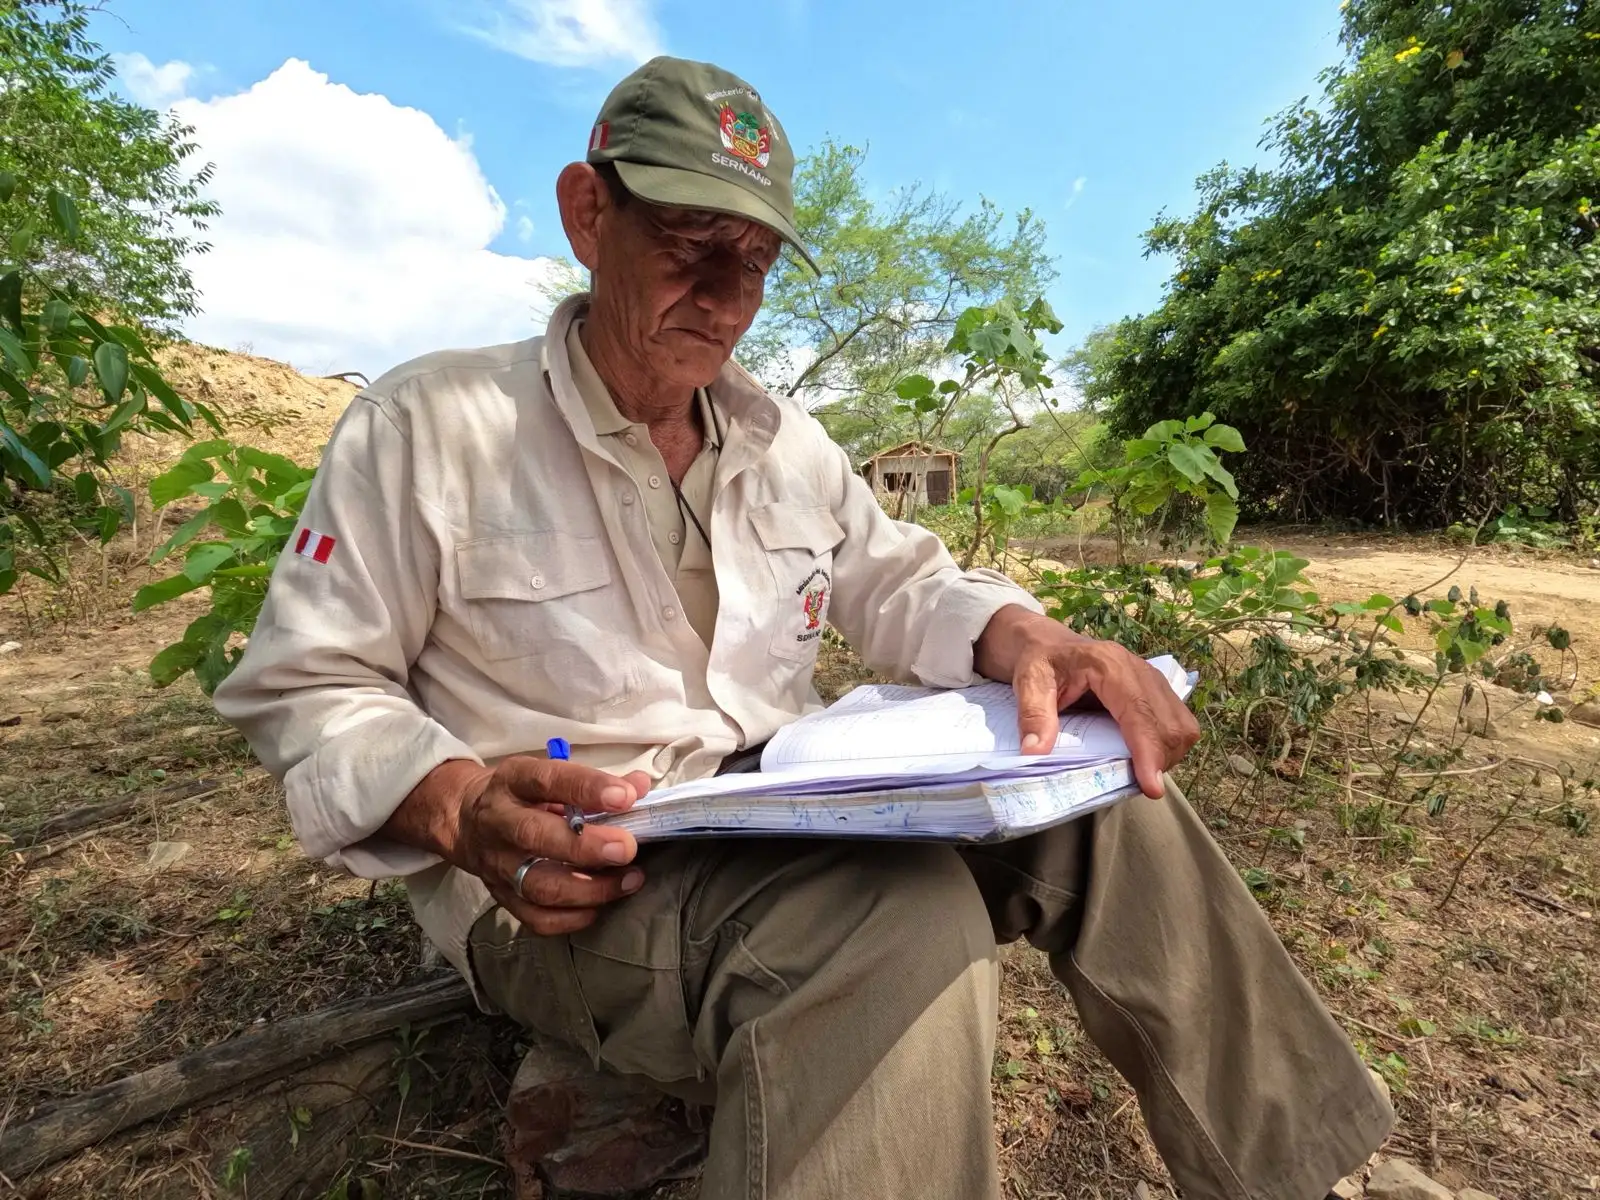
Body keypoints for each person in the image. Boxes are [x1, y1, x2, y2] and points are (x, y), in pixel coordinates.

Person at [214, 55, 1392, 1200]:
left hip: (786, 812)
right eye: (689, 249)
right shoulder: (432, 424)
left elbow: (903, 583)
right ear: (588, 214)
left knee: (1109, 791)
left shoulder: (784, 443)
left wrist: (1033, 642)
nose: (727, 298)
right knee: (899, 919)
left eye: (758, 261)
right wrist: (461, 804)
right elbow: (308, 688)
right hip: (581, 882)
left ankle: (1302, 1171)